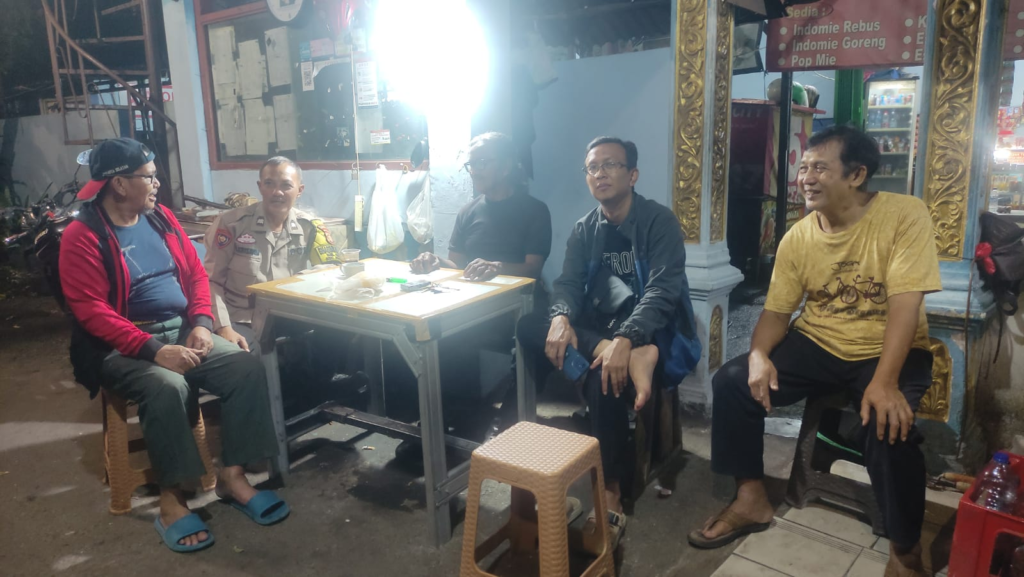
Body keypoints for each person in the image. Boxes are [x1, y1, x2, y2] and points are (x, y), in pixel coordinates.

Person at [687, 125, 940, 577]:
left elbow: (906, 304)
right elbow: (776, 314)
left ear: (857, 175)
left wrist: (885, 382)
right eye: (804, 167)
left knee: (889, 425)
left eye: (820, 168)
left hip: (888, 348)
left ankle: (905, 550)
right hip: (819, 342)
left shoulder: (904, 214)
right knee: (733, 382)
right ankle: (751, 498)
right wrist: (758, 355)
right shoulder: (798, 237)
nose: (806, 177)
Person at [59, 138, 288, 553]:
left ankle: (232, 476)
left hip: (180, 328)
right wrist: (153, 350)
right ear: (118, 184)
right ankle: (172, 500)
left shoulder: (160, 218)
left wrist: (202, 323)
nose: (157, 184)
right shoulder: (83, 235)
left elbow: (197, 274)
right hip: (119, 346)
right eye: (148, 177)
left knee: (243, 366)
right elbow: (91, 311)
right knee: (167, 385)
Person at [517, 136, 699, 547]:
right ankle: (615, 358)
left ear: (632, 175)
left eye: (610, 165)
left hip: (655, 332)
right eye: (592, 167)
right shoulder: (586, 228)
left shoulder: (658, 222)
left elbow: (662, 293)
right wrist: (561, 316)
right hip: (603, 333)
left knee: (603, 380)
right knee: (530, 325)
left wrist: (628, 337)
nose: (599, 173)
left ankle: (611, 492)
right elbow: (567, 283)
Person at [204, 156, 340, 354]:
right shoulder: (232, 224)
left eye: (286, 185)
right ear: (260, 187)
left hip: (290, 315)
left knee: (339, 338)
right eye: (269, 184)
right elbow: (211, 280)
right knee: (244, 356)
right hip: (242, 318)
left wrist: (305, 279)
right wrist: (223, 327)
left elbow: (331, 269)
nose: (277, 192)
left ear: (299, 190)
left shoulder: (309, 226)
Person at [409, 132, 552, 289]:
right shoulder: (467, 212)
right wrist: (435, 261)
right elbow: (457, 265)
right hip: (477, 297)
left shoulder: (535, 211)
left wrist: (498, 268)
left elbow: (533, 269)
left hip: (519, 299)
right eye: (471, 165)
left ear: (506, 167)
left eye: (481, 163)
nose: (474, 172)